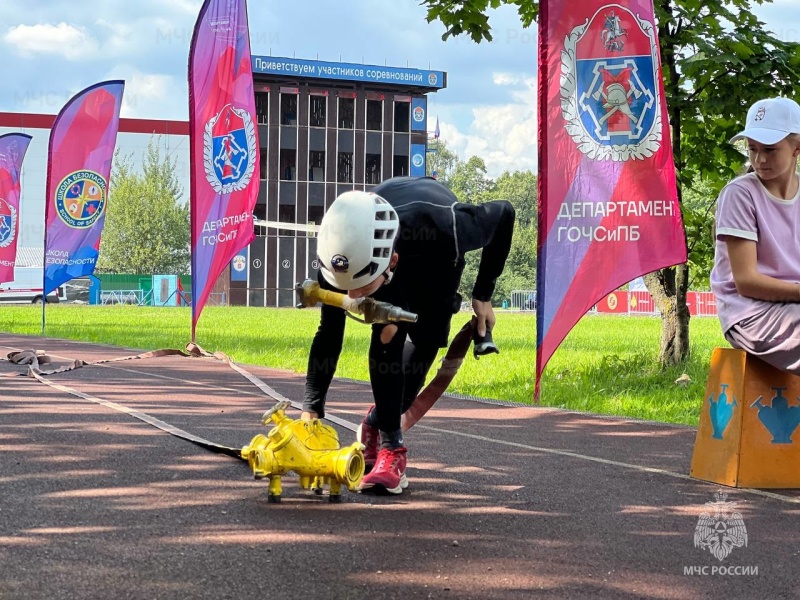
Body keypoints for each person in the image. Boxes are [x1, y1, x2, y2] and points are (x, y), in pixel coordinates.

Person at [302, 176, 515, 495]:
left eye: (361, 288)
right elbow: (329, 334)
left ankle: (377, 421)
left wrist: (483, 294)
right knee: (386, 336)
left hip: (433, 263)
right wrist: (311, 410)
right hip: (386, 244)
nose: (353, 298)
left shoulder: (450, 228)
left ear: (391, 261)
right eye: (346, 289)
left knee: (406, 392)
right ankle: (392, 451)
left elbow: (505, 212)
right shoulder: (339, 255)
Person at [710, 96, 800, 373]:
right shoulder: (740, 195)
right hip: (749, 315)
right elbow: (747, 282)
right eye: (752, 149)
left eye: (770, 150)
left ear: (797, 148)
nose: (760, 159)